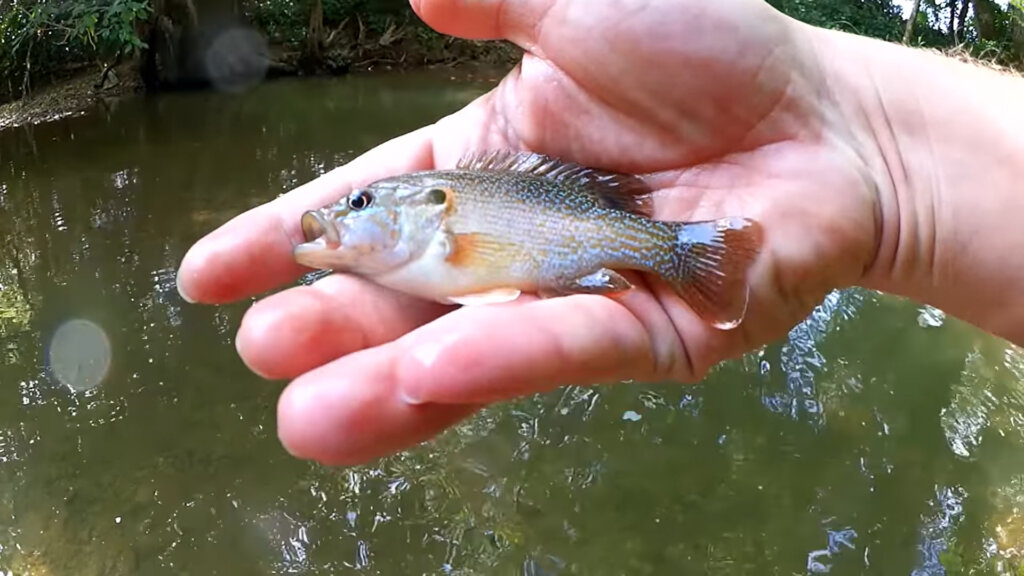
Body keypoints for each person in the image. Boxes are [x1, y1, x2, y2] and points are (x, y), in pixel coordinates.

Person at [174, 0, 1024, 465]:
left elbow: (493, 271)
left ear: (430, 206)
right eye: (354, 210)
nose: (344, 219)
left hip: (621, 240)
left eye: (362, 207)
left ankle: (688, 255)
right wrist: (864, 135)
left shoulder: (444, 221)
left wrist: (841, 117)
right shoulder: (418, 245)